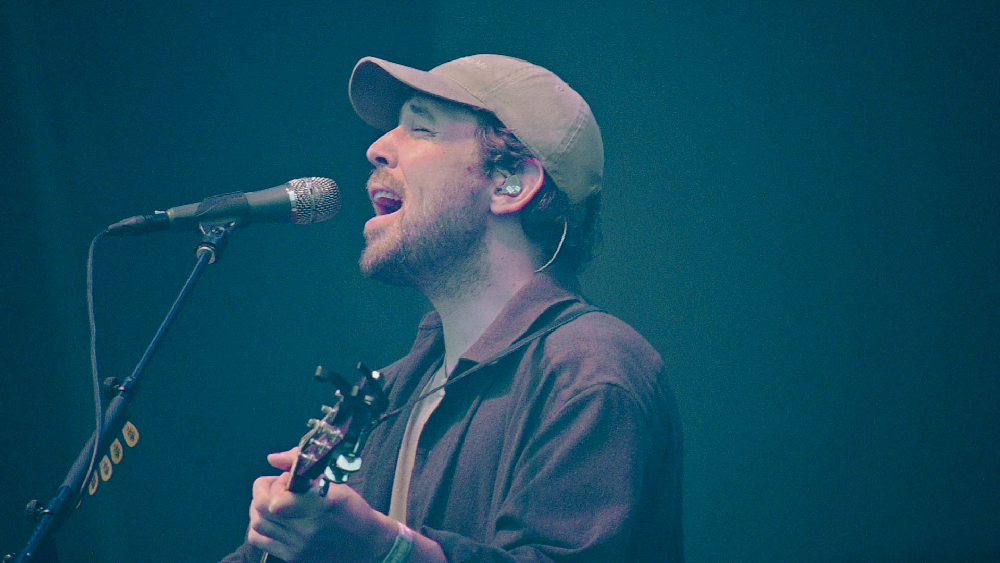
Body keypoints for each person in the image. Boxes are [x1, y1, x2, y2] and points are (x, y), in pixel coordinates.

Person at [220, 54, 683, 563]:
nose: (375, 149)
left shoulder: (589, 370)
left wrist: (386, 549)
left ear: (510, 183)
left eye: (420, 128)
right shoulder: (392, 391)